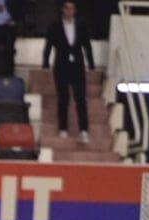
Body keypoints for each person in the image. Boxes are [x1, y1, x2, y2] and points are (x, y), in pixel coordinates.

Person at [43, 1, 95, 143]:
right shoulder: (55, 25)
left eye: (71, 8)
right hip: (61, 65)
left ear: (75, 10)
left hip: (77, 66)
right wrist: (45, 63)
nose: (69, 11)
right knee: (63, 98)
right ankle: (63, 128)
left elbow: (87, 45)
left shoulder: (81, 25)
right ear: (62, 9)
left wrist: (91, 65)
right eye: (66, 8)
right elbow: (48, 45)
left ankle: (84, 130)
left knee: (80, 99)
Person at [0, 0, 25, 78]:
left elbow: (22, 6)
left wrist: (15, 20)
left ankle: (9, 76)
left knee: (9, 51)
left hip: (9, 26)